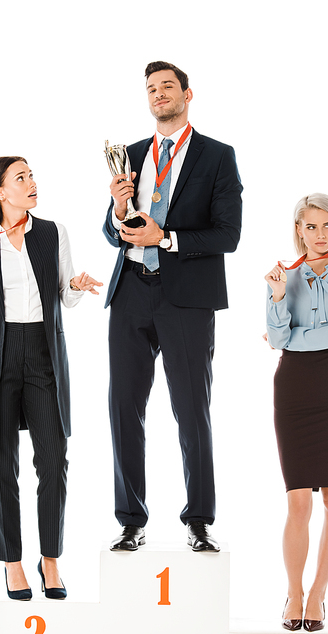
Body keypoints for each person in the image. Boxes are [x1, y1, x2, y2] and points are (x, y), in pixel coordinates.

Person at [103, 61, 243, 552]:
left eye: (167, 86)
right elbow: (112, 232)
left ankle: (199, 519)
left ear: (187, 93)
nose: (159, 94)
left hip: (186, 299)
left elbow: (229, 235)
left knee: (191, 410)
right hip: (131, 292)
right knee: (123, 407)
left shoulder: (217, 157)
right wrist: (119, 211)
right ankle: (130, 519)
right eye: (151, 89)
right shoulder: (132, 155)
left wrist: (169, 237)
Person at [0, 156, 102, 600]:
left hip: (43, 353)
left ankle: (51, 560)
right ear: (1, 192)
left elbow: (65, 296)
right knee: (1, 465)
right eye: (21, 178)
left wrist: (76, 285)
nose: (32, 182)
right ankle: (13, 564)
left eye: (32, 175)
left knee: (54, 460)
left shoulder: (52, 233)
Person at [264, 193, 328, 631]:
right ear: (298, 230)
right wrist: (277, 299)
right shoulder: (281, 277)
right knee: (297, 500)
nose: (320, 235)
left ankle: (318, 594)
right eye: (311, 226)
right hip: (293, 390)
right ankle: (293, 593)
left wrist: (294, 333)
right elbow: (276, 336)